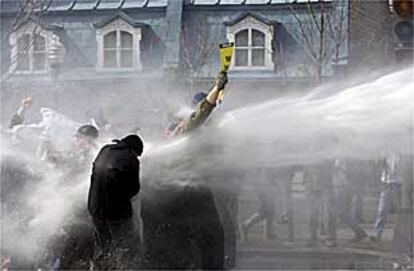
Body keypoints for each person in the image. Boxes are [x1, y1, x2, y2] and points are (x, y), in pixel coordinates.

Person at [141, 72, 229, 270]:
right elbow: (202, 113)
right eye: (173, 128)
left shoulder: (169, 146)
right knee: (208, 238)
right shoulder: (183, 133)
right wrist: (216, 89)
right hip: (188, 197)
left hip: (180, 198)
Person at [88, 134, 144, 270]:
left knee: (103, 246)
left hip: (95, 208)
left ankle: (99, 267)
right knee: (124, 246)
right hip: (116, 213)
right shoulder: (131, 158)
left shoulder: (105, 149)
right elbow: (134, 188)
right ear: (134, 150)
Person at [370, 152, 402, 243]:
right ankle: (377, 234)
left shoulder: (403, 152)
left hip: (399, 184)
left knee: (401, 212)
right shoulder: (385, 153)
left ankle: (401, 236)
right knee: (382, 210)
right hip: (387, 184)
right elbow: (377, 165)